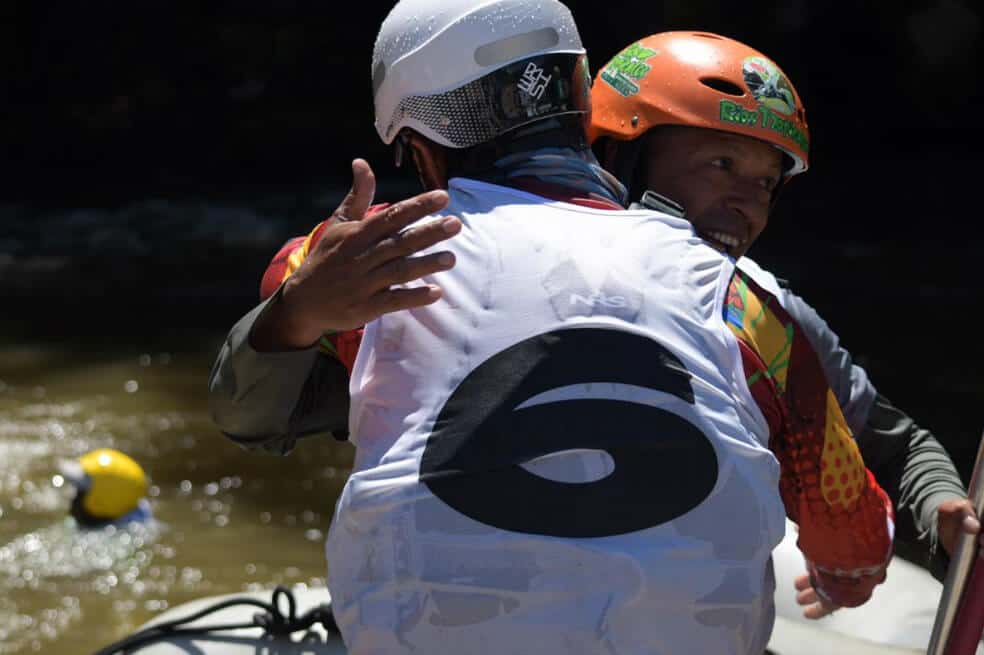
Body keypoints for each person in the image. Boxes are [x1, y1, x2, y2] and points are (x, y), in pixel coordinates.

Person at [209, 1, 894, 653]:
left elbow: (246, 414)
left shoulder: (357, 260)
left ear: (417, 149)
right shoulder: (750, 307)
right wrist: (847, 573)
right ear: (583, 108)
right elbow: (851, 535)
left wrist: (300, 309)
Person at [586, 30, 980, 619]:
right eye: (721, 164)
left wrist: (941, 509)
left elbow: (898, 447)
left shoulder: (765, 313)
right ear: (620, 155)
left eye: (766, 182)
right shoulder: (482, 261)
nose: (747, 203)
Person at [56, 448, 153, 528]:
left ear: (102, 502)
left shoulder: (99, 542)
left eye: (79, 491)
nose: (70, 494)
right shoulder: (132, 505)